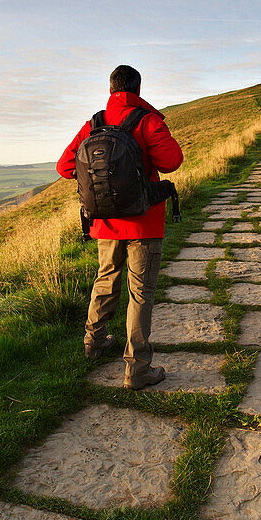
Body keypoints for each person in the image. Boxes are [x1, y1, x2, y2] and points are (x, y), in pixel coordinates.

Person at [56, 65, 184, 389]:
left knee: (106, 279)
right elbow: (172, 161)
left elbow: (64, 166)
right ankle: (137, 368)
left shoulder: (95, 123)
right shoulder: (146, 120)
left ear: (111, 88)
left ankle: (94, 342)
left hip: (105, 222)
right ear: (137, 90)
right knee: (140, 293)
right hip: (144, 222)